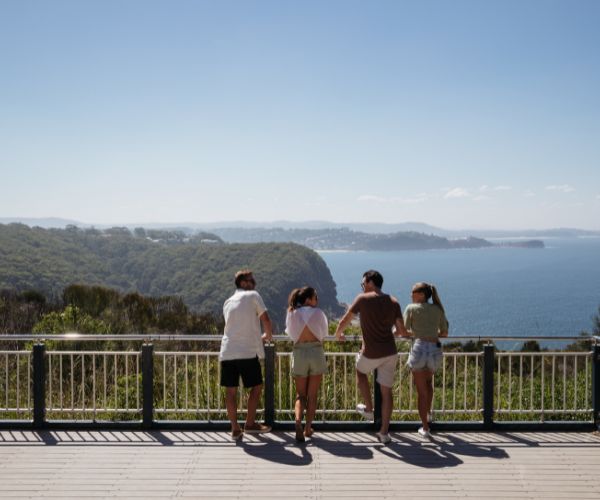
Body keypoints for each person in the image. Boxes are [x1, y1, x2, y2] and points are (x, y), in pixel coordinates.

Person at [335, 270, 407, 444]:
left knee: (360, 371)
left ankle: (368, 408)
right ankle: (384, 432)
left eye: (363, 284)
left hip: (371, 352)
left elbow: (345, 320)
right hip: (390, 352)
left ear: (370, 282)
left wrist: (338, 334)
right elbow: (401, 331)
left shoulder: (362, 299)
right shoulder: (393, 301)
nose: (362, 287)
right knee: (386, 392)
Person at [219, 269, 273, 440]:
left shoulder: (228, 302)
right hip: (247, 351)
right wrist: (268, 335)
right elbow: (265, 319)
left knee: (230, 391)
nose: (254, 283)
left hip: (227, 351)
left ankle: (235, 428)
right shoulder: (253, 295)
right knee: (256, 387)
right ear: (243, 283)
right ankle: (250, 424)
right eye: (251, 280)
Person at [403, 282, 449, 439]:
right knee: (429, 385)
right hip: (435, 349)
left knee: (421, 391)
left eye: (413, 292)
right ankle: (428, 414)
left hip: (419, 347)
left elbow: (404, 330)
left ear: (421, 294)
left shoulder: (411, 308)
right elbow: (444, 332)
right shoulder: (437, 309)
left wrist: (416, 331)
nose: (411, 295)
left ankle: (425, 427)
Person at [285, 286, 329, 442]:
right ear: (309, 299)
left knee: (300, 395)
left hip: (299, 353)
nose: (317, 300)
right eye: (315, 297)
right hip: (316, 352)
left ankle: (298, 420)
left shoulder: (292, 313)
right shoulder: (318, 313)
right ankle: (308, 428)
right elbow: (324, 333)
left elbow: (290, 334)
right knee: (312, 395)